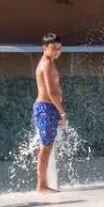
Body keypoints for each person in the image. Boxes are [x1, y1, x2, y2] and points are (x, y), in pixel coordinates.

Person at [33, 33, 65, 194]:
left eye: (59, 48)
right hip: (46, 108)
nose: (57, 51)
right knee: (46, 148)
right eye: (54, 48)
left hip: (48, 108)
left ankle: (43, 184)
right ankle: (41, 186)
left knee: (47, 146)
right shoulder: (46, 65)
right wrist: (62, 113)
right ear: (44, 48)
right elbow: (51, 92)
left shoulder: (48, 62)